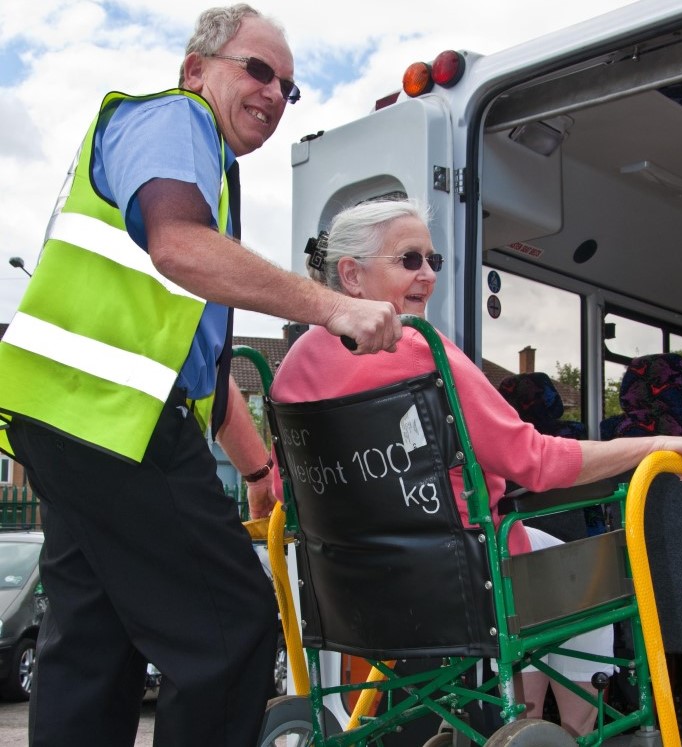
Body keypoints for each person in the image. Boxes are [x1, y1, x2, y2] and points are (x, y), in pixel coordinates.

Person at [0, 5, 402, 747]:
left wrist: (255, 466)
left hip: (63, 421)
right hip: (112, 423)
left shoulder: (202, 168)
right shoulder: (175, 120)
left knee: (95, 644)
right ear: (196, 70)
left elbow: (197, 373)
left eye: (288, 86)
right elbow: (178, 245)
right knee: (232, 628)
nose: (274, 93)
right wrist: (332, 307)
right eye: (257, 70)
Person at [268, 197, 682, 738]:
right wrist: (653, 447)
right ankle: (570, 730)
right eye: (410, 260)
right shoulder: (420, 348)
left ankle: (527, 717)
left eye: (433, 261)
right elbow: (537, 462)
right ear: (351, 276)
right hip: (465, 582)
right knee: (599, 573)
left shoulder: (289, 372)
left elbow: (283, 488)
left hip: (348, 595)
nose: (428, 276)